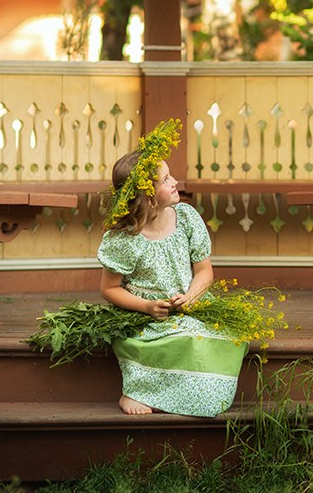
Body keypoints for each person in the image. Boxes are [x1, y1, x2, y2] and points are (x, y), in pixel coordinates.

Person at [97, 118, 247, 417]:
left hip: (187, 305)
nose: (174, 181)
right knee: (174, 341)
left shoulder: (186, 218)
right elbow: (109, 288)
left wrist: (191, 297)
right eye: (165, 180)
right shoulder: (125, 238)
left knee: (223, 338)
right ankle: (136, 391)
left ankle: (196, 395)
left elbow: (204, 270)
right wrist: (147, 306)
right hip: (146, 314)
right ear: (147, 197)